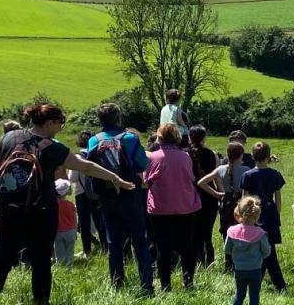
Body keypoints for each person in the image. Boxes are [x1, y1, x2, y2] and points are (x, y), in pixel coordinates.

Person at [0, 103, 134, 305]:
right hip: (42, 210)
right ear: (49, 123)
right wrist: (115, 178)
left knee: (3, 257)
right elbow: (86, 166)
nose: (60, 128)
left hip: (10, 207)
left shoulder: (9, 138)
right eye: (59, 124)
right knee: (41, 259)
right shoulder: (53, 148)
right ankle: (41, 303)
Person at [86, 104, 151, 292]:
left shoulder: (94, 140)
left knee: (114, 243)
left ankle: (117, 284)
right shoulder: (130, 138)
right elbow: (142, 165)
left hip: (106, 197)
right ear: (119, 119)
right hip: (130, 194)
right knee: (140, 240)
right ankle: (146, 285)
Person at [145, 122, 200, 291]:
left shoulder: (153, 157)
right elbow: (191, 178)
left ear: (159, 137)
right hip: (186, 206)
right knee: (186, 246)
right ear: (177, 137)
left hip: (161, 208)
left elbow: (147, 182)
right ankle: (188, 282)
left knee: (163, 248)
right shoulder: (186, 156)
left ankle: (165, 285)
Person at [240, 141, 288, 292]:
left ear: (252, 156)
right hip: (270, 214)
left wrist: (244, 217)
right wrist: (277, 214)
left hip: (253, 215)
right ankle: (278, 284)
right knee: (268, 250)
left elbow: (244, 199)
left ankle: (265, 283)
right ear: (268, 157)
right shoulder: (275, 175)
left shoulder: (247, 175)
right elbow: (278, 198)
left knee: (261, 249)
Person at [197, 141, 248, 272]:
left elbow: (201, 183)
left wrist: (216, 194)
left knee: (227, 233)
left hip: (225, 204)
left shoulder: (221, 169)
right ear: (241, 155)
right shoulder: (246, 171)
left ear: (227, 154)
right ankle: (240, 262)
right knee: (241, 232)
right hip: (240, 206)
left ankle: (228, 263)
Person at [224, 196, 272, 305]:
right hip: (255, 270)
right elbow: (266, 252)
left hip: (239, 269)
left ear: (239, 212)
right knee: (254, 295)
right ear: (257, 215)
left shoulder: (232, 232)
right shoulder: (260, 233)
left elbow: (227, 250)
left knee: (239, 294)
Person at [69, 130, 108, 257]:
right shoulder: (96, 155)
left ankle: (87, 250)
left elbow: (72, 178)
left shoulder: (78, 157)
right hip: (96, 192)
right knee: (99, 221)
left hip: (81, 193)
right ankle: (105, 247)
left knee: (84, 223)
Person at [188, 125, 218, 267]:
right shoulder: (212, 154)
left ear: (189, 137)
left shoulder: (184, 154)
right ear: (204, 137)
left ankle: (196, 260)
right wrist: (219, 193)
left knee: (193, 232)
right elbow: (216, 176)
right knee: (207, 233)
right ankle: (209, 261)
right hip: (209, 195)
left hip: (191, 196)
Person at [54, 179, 77, 268]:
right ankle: (69, 267)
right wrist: (74, 231)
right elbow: (75, 220)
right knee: (70, 253)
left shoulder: (54, 205)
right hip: (70, 232)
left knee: (59, 254)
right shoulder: (71, 205)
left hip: (58, 232)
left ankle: (61, 268)